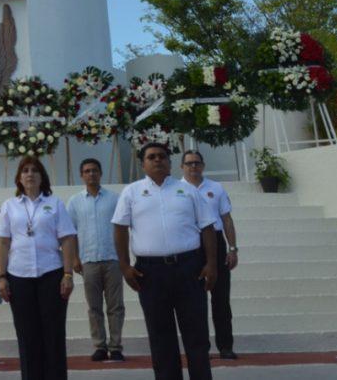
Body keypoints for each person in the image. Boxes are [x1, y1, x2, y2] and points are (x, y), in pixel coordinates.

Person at [112, 143, 218, 380]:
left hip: (189, 269)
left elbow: (207, 227)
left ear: (170, 162)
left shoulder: (188, 190)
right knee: (160, 337)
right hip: (150, 273)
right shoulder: (131, 192)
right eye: (151, 157)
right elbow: (119, 228)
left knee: (197, 335)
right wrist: (124, 266)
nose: (157, 160)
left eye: (162, 156)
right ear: (143, 164)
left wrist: (211, 264)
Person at [0, 156, 78, 380]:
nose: (30, 174)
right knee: (27, 334)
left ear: (42, 177)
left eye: (35, 171)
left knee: (54, 333)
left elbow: (68, 239)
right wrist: (1, 277)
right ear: (19, 178)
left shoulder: (55, 203)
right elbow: (2, 242)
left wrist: (68, 274)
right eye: (25, 171)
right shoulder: (9, 206)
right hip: (19, 276)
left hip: (51, 274)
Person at [180, 151, 239, 360]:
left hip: (216, 244)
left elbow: (227, 219)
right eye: (189, 164)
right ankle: (199, 348)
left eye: (197, 163)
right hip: (191, 246)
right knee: (193, 302)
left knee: (221, 299)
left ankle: (225, 346)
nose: (193, 167)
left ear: (203, 165)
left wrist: (233, 248)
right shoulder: (176, 190)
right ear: (182, 167)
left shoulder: (216, 188)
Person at [67, 158, 125, 363]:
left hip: (112, 259)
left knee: (115, 305)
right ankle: (99, 346)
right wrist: (74, 257)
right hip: (88, 261)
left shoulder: (115, 199)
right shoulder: (74, 202)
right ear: (81, 175)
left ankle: (116, 346)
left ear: (100, 173)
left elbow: (122, 228)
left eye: (94, 170)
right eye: (87, 171)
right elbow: (70, 233)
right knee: (94, 307)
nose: (91, 174)